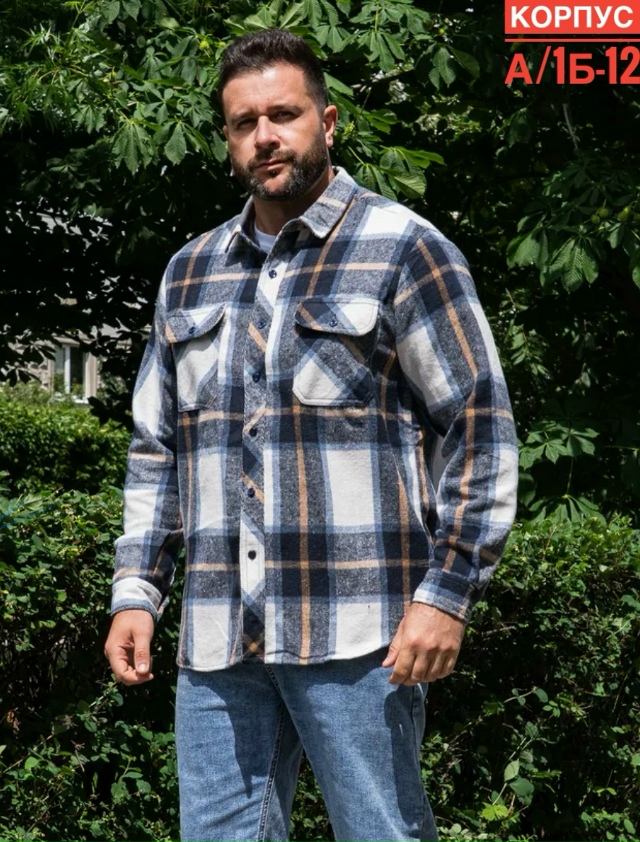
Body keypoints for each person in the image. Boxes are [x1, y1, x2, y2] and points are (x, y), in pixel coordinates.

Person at [105, 28, 518, 842]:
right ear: (228, 139)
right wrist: (136, 592)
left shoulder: (405, 249)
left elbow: (479, 427)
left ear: (327, 122)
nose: (264, 136)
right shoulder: (190, 272)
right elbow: (157, 450)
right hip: (220, 639)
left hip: (361, 633)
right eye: (244, 122)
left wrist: (447, 594)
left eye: (284, 115)